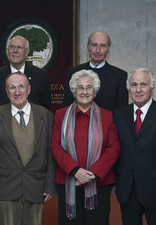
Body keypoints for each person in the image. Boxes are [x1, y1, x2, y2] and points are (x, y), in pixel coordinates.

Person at [113, 68, 156, 225]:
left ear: (152, 87)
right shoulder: (118, 115)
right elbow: (116, 151)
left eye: (143, 84)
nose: (138, 90)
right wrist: (115, 182)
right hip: (127, 189)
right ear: (128, 88)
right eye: (134, 85)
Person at [51, 69, 121, 225]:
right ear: (74, 91)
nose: (84, 91)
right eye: (80, 87)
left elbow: (113, 148)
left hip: (98, 183)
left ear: (95, 91)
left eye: (89, 87)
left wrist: (93, 173)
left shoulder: (107, 115)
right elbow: (55, 146)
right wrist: (75, 170)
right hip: (69, 180)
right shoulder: (60, 115)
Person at [0, 72, 55, 225]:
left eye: (21, 87)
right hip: (6, 187)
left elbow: (50, 154)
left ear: (29, 89)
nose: (17, 92)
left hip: (36, 186)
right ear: (6, 91)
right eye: (12, 88)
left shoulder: (46, 115)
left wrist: (50, 184)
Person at [62, 31, 128, 111]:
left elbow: (122, 110)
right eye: (94, 45)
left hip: (108, 122)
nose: (98, 50)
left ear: (108, 49)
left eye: (103, 46)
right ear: (88, 47)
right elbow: (67, 105)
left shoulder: (120, 76)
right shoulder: (74, 72)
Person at [0, 35, 51, 109]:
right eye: (12, 47)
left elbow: (45, 107)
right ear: (7, 51)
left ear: (27, 52)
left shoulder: (40, 75)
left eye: (19, 47)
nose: (15, 51)